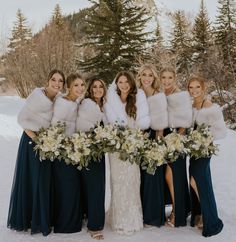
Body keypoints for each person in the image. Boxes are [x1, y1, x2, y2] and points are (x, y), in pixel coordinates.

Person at [7, 69, 65, 236]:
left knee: (46, 179)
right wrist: (40, 141)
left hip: (49, 143)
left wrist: (50, 141)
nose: (57, 83)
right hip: (31, 141)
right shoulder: (37, 97)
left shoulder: (60, 100)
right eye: (54, 79)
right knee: (34, 179)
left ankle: (45, 217)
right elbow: (22, 120)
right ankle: (31, 219)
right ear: (48, 80)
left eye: (60, 81)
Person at [104, 71, 150, 235]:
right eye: (120, 82)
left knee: (131, 181)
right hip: (116, 149)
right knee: (117, 182)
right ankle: (117, 218)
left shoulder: (138, 98)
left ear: (131, 83)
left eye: (126, 82)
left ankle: (131, 219)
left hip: (132, 147)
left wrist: (133, 139)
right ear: (116, 84)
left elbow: (142, 124)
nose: (123, 85)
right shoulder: (110, 100)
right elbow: (109, 123)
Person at [187, 76, 226, 237]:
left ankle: (212, 220)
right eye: (191, 87)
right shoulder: (191, 105)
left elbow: (220, 131)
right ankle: (201, 213)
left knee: (199, 182)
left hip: (203, 150)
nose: (194, 90)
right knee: (195, 182)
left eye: (197, 87)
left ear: (203, 88)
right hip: (193, 150)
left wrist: (203, 140)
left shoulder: (209, 106)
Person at [51, 73, 85, 233]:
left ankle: (74, 220)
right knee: (66, 186)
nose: (80, 88)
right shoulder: (62, 102)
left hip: (74, 151)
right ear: (69, 87)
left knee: (73, 186)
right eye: (76, 85)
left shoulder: (77, 102)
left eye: (82, 85)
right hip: (62, 152)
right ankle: (65, 224)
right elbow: (56, 128)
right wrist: (66, 145)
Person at [136, 64, 167, 227]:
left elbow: (161, 121)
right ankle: (142, 213)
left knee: (152, 177)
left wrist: (157, 145)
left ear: (154, 78)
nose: (147, 78)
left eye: (150, 75)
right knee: (141, 177)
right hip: (138, 138)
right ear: (139, 76)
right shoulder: (137, 94)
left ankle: (153, 217)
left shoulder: (158, 95)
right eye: (144, 75)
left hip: (155, 137)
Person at [160, 67, 192, 227]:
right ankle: (180, 207)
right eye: (164, 77)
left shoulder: (181, 96)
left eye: (170, 78)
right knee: (169, 176)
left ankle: (177, 212)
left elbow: (186, 122)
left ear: (175, 78)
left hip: (177, 138)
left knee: (172, 175)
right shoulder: (160, 96)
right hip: (163, 137)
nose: (166, 81)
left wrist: (176, 138)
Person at [76, 77, 107, 240]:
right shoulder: (87, 104)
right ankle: (95, 226)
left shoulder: (106, 105)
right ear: (90, 89)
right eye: (94, 87)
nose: (97, 89)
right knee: (93, 187)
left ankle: (91, 217)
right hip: (88, 150)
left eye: (100, 86)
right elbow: (81, 127)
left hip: (100, 152)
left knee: (97, 186)